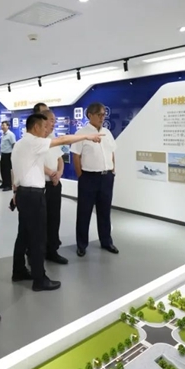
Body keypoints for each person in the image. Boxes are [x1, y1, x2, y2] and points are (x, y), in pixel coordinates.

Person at [11, 113, 103, 291]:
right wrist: (87, 136)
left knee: (23, 235)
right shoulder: (34, 142)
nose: (47, 130)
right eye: (44, 127)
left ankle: (19, 271)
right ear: (36, 127)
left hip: (23, 193)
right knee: (38, 238)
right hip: (33, 196)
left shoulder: (20, 144)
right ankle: (40, 279)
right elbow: (62, 140)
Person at [71, 102, 118, 257]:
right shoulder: (82, 133)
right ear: (90, 115)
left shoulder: (107, 133)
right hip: (89, 177)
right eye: (99, 114)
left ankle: (106, 241)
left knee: (105, 211)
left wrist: (113, 170)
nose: (102, 117)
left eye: (104, 114)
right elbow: (76, 156)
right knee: (84, 212)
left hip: (107, 177)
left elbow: (112, 152)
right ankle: (81, 245)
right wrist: (81, 176)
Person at [40, 109, 67, 264]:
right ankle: (38, 251)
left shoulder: (52, 139)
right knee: (41, 220)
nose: (54, 123)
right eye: (51, 120)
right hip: (41, 185)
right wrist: (51, 173)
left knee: (54, 218)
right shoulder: (35, 141)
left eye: (54, 120)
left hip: (55, 184)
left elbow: (60, 159)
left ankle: (52, 250)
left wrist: (59, 174)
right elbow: (35, 162)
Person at [0, 120, 16, 191]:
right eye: (2, 125)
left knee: (7, 171)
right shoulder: (3, 134)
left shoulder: (11, 134)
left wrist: (13, 155)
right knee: (2, 169)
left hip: (8, 154)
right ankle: (4, 183)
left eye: (4, 125)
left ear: (8, 126)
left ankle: (8, 186)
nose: (2, 126)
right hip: (3, 154)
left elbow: (14, 144)